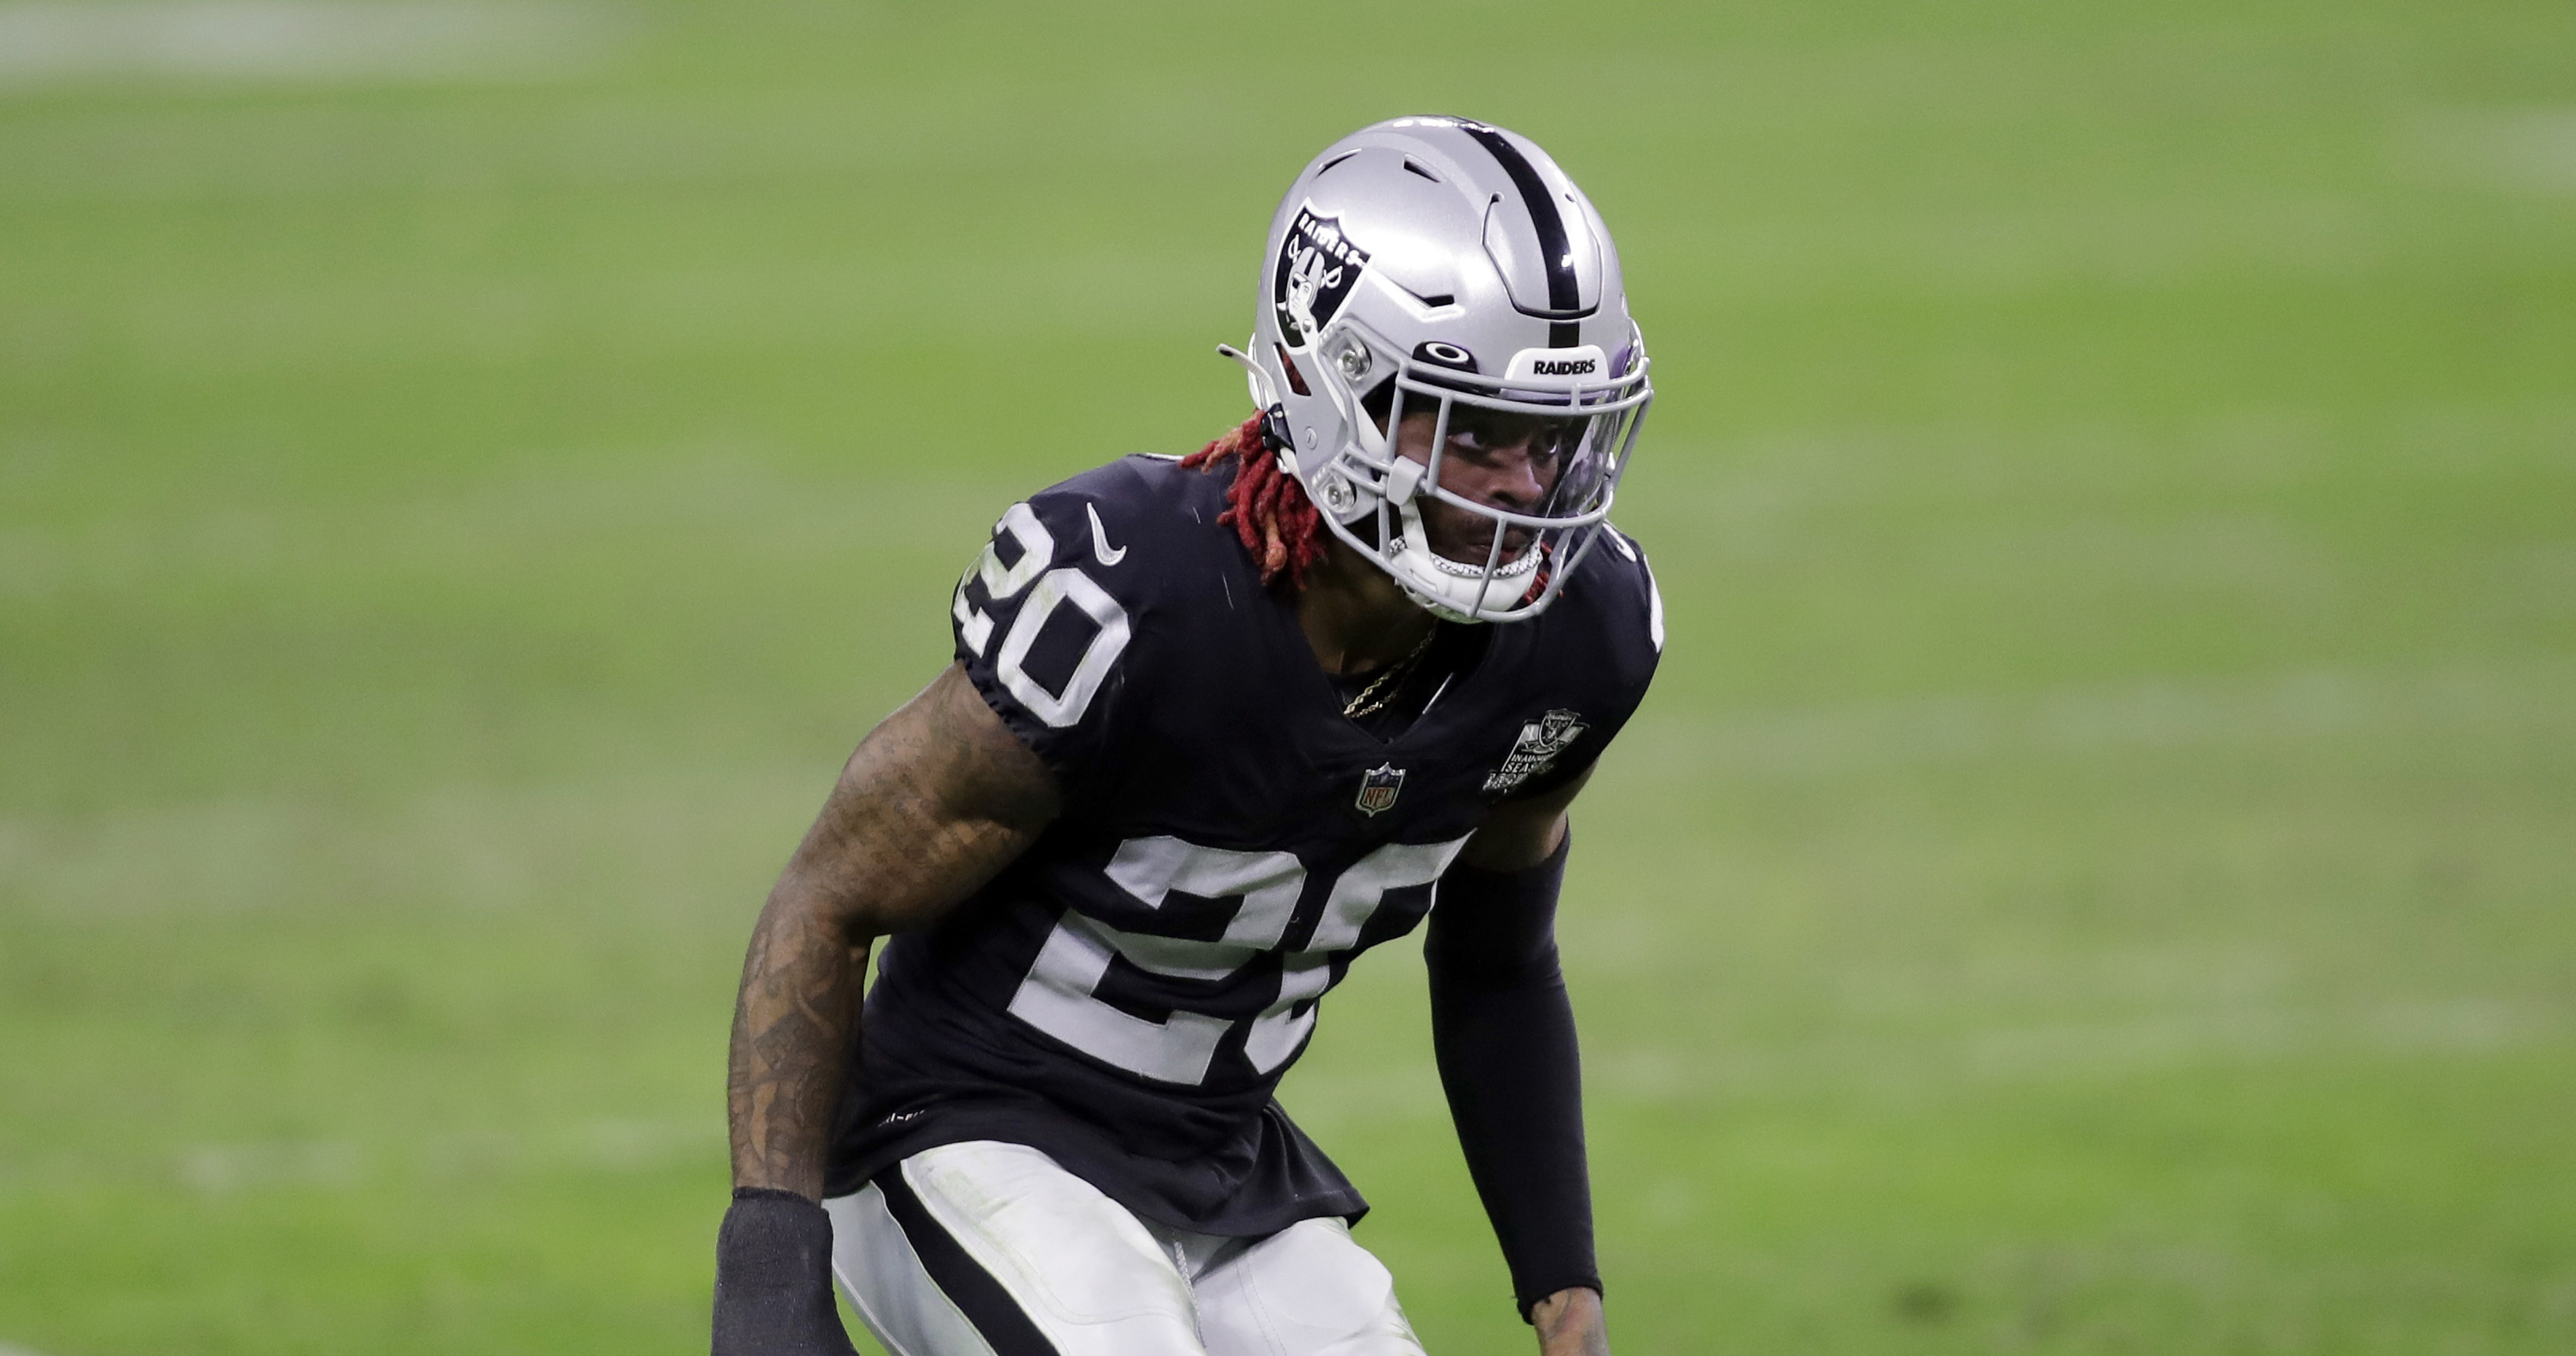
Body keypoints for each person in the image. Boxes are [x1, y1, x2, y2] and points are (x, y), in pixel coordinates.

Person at [711, 115, 1663, 1356]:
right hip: (960, 1121)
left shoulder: (1582, 640)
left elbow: (1498, 959)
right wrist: (770, 1270)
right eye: (1474, 433)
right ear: (1336, 391)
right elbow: (827, 899)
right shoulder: (1137, 596)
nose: (1529, 492)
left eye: (1554, 439)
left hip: (1222, 1169)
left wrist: (1564, 1288)